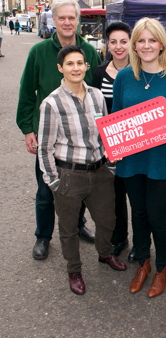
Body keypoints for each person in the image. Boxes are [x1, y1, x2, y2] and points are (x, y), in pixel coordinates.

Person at [38, 45, 127, 295]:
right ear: (61, 68)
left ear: (86, 66)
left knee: (108, 220)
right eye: (70, 64)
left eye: (80, 63)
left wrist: (110, 163)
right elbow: (44, 147)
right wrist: (53, 182)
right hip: (69, 174)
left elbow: (106, 132)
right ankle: (74, 269)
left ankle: (105, 254)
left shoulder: (97, 96)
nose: (76, 68)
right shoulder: (51, 103)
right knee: (68, 229)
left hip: (100, 172)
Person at [16, 0, 101, 261]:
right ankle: (43, 236)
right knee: (46, 190)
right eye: (62, 18)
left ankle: (78, 225)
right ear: (54, 20)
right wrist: (28, 129)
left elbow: (98, 93)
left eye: (71, 18)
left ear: (78, 20)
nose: (67, 22)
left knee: (81, 188)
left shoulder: (89, 51)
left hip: (81, 139)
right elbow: (27, 93)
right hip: (49, 136)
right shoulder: (39, 52)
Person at [112, 17, 166, 298]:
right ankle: (143, 263)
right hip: (132, 160)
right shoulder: (124, 77)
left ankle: (161, 268)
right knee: (140, 215)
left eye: (152, 40)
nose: (146, 46)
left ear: (161, 44)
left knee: (158, 216)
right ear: (134, 45)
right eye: (141, 40)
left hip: (163, 161)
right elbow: (117, 119)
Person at [92, 21, 132, 260]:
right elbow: (95, 108)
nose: (118, 47)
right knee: (114, 195)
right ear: (107, 44)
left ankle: (141, 244)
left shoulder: (138, 70)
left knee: (137, 196)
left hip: (135, 141)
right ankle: (119, 238)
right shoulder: (99, 72)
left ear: (131, 43)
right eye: (113, 42)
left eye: (123, 42)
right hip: (108, 144)